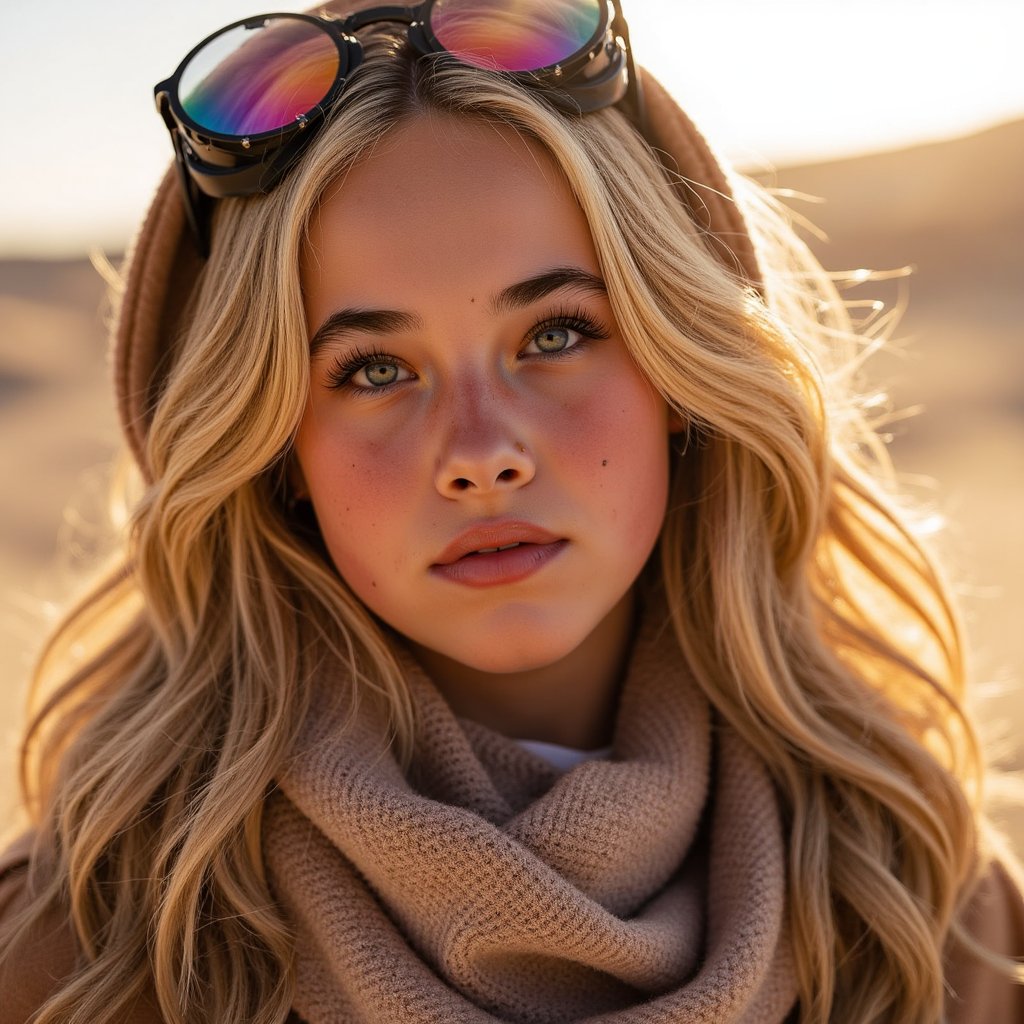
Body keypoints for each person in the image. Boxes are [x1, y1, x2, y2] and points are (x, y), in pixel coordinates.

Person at [1, 1, 1022, 1021]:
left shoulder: (923, 900)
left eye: (556, 335)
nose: (481, 455)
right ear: (273, 452)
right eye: (374, 369)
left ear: (680, 370)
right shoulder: (89, 949)